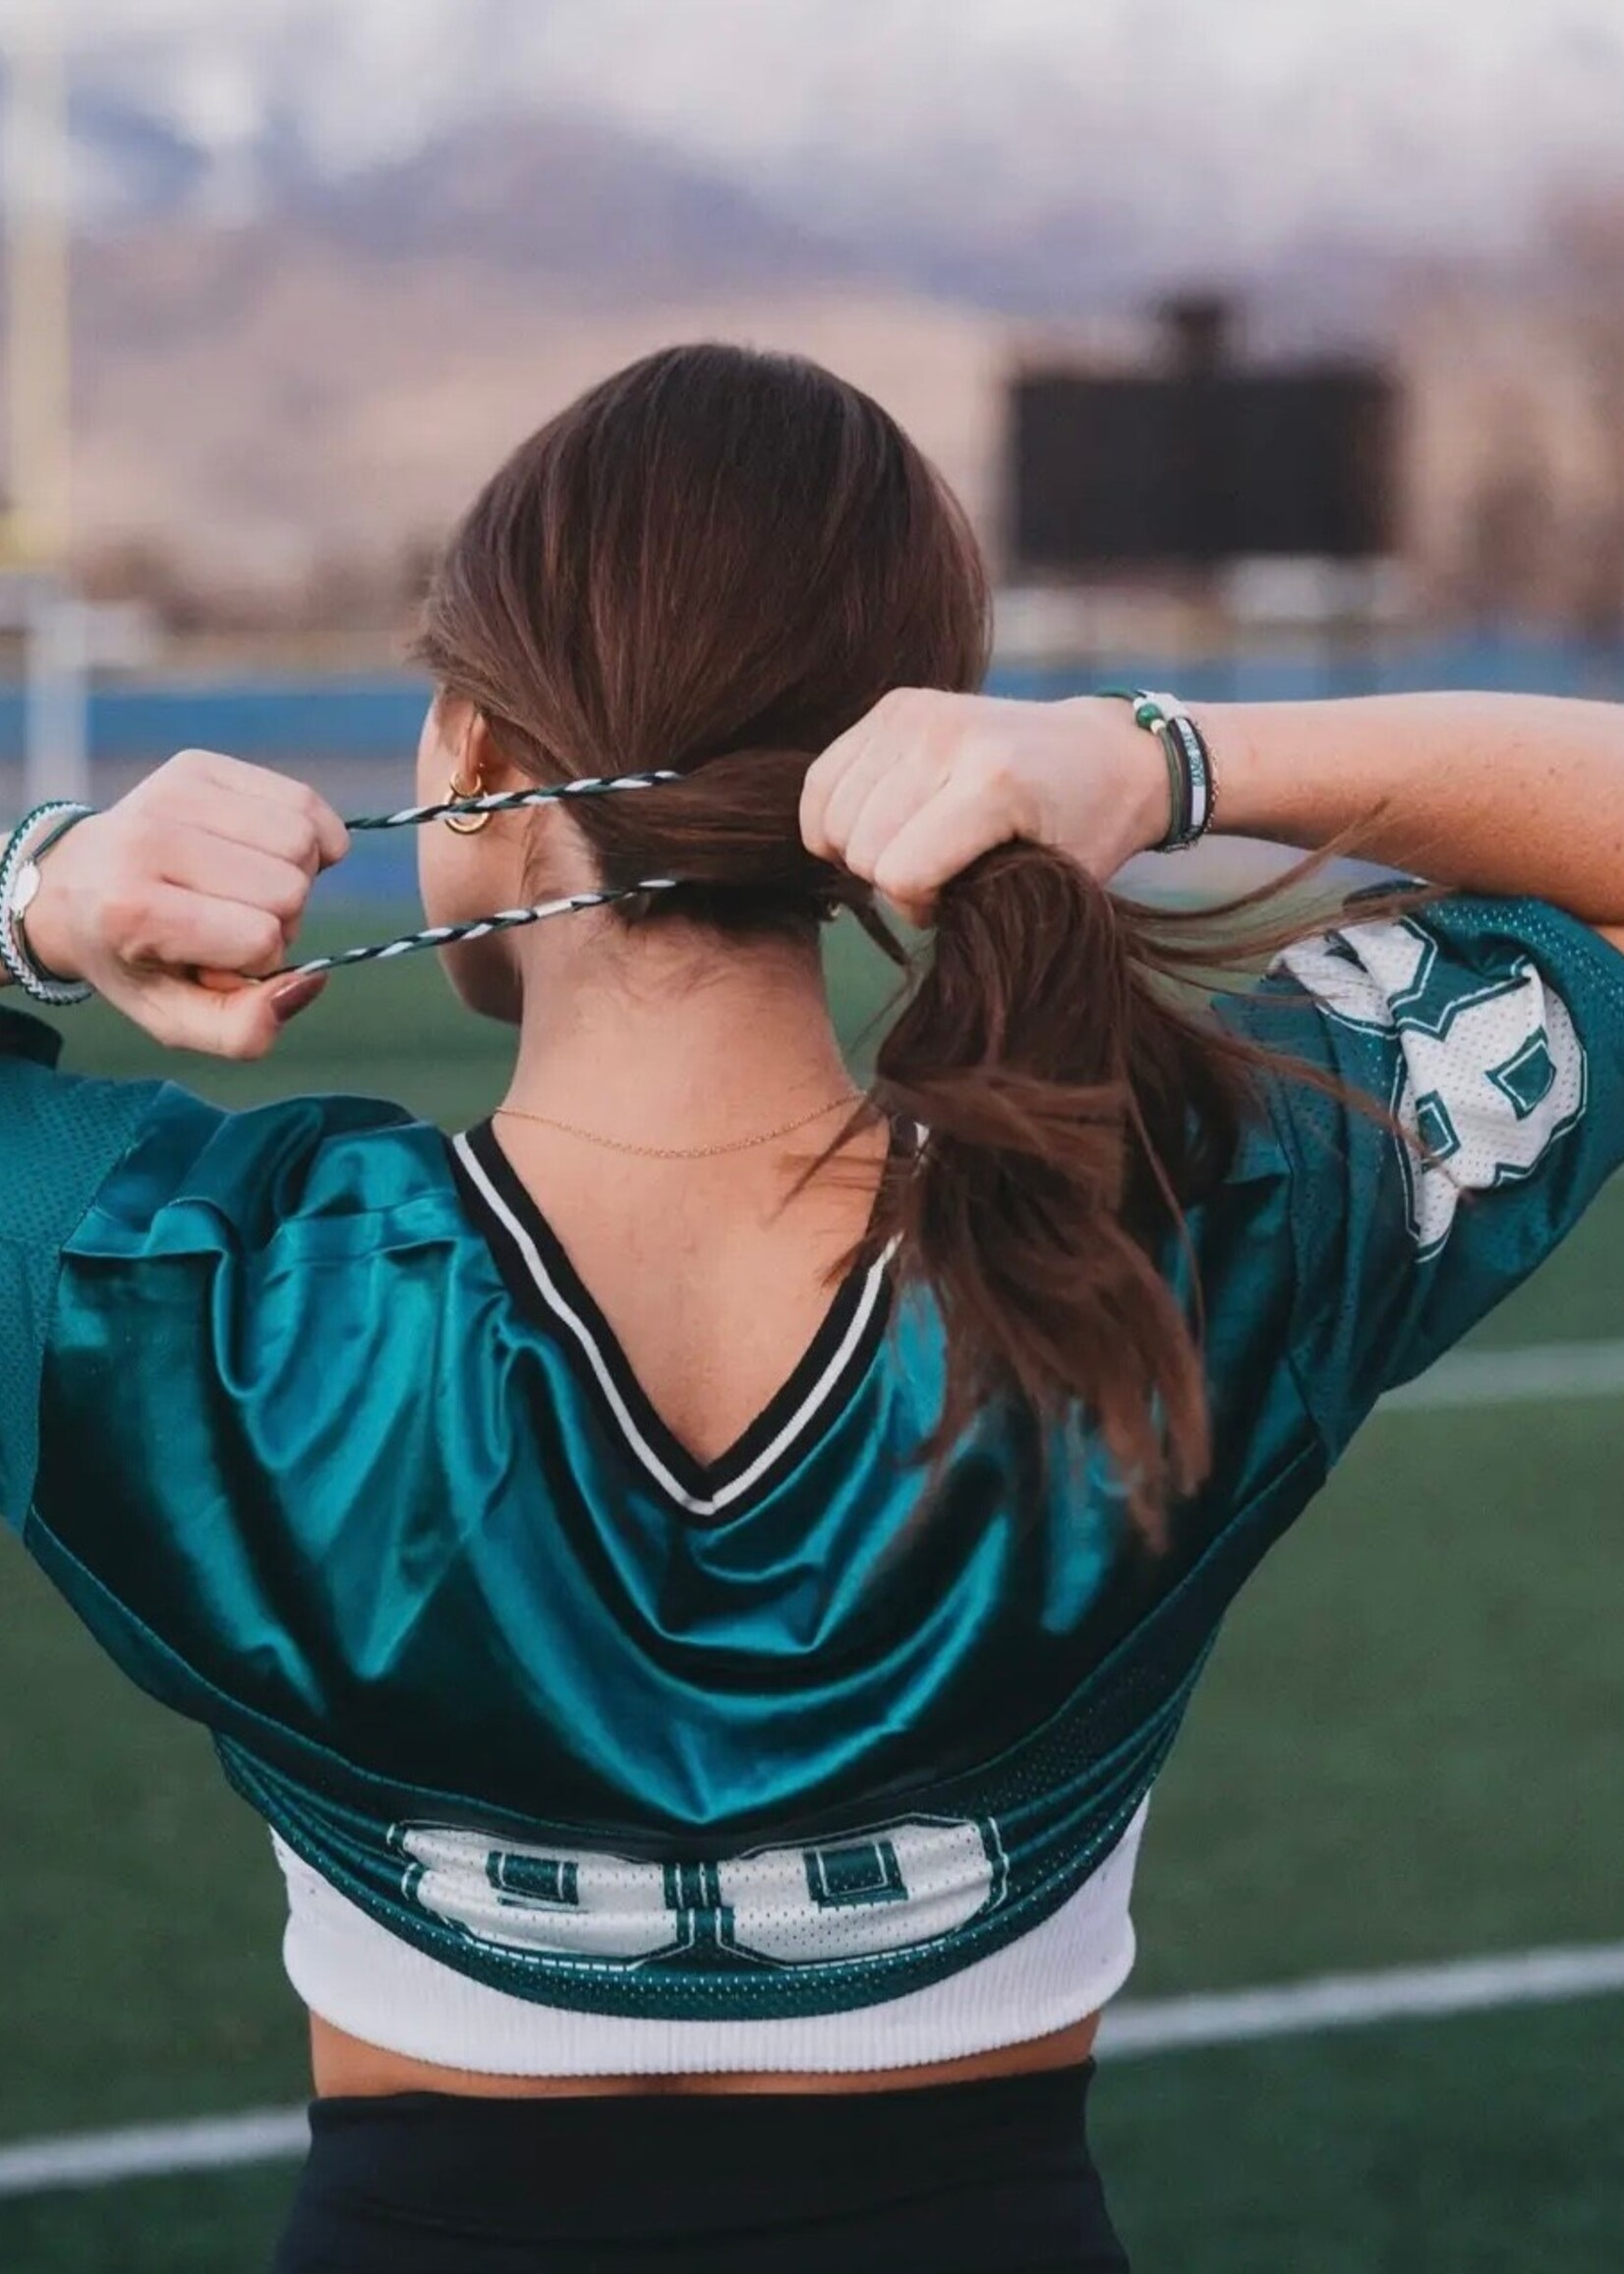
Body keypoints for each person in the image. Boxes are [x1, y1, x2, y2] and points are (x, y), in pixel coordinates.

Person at [2, 344, 1622, 2274]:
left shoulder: (153, 1274)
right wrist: (1173, 759)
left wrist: (39, 890)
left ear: (472, 756)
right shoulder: (1196, 1217)